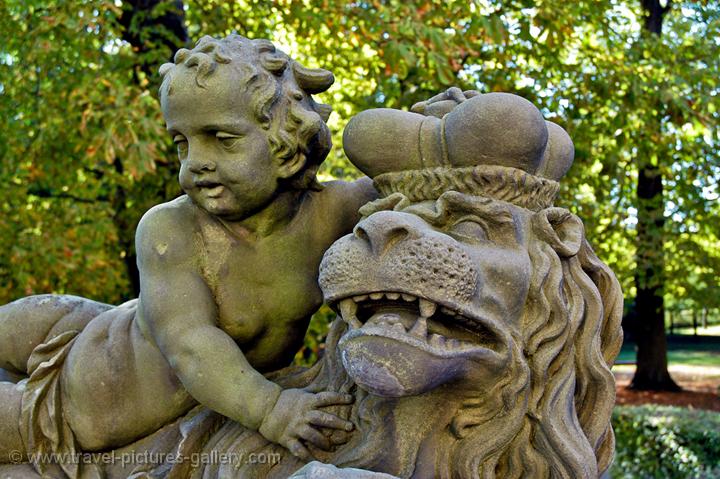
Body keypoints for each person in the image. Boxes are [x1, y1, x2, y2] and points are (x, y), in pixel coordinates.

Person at [0, 35, 376, 472]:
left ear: (288, 146)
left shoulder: (331, 214)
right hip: (73, 398)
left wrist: (447, 122)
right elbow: (191, 345)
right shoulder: (171, 228)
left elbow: (408, 180)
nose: (195, 161)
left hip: (121, 329)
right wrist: (271, 410)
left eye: (221, 138)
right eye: (182, 142)